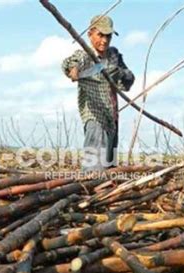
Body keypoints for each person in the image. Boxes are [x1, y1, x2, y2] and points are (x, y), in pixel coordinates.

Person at [62, 15, 134, 171]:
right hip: (95, 116)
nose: (104, 41)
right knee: (94, 169)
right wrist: (73, 70)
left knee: (109, 168)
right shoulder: (86, 55)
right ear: (90, 34)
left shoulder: (113, 55)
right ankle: (90, 192)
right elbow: (70, 63)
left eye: (108, 36)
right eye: (100, 35)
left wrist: (120, 73)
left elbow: (129, 79)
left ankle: (108, 193)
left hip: (112, 117)